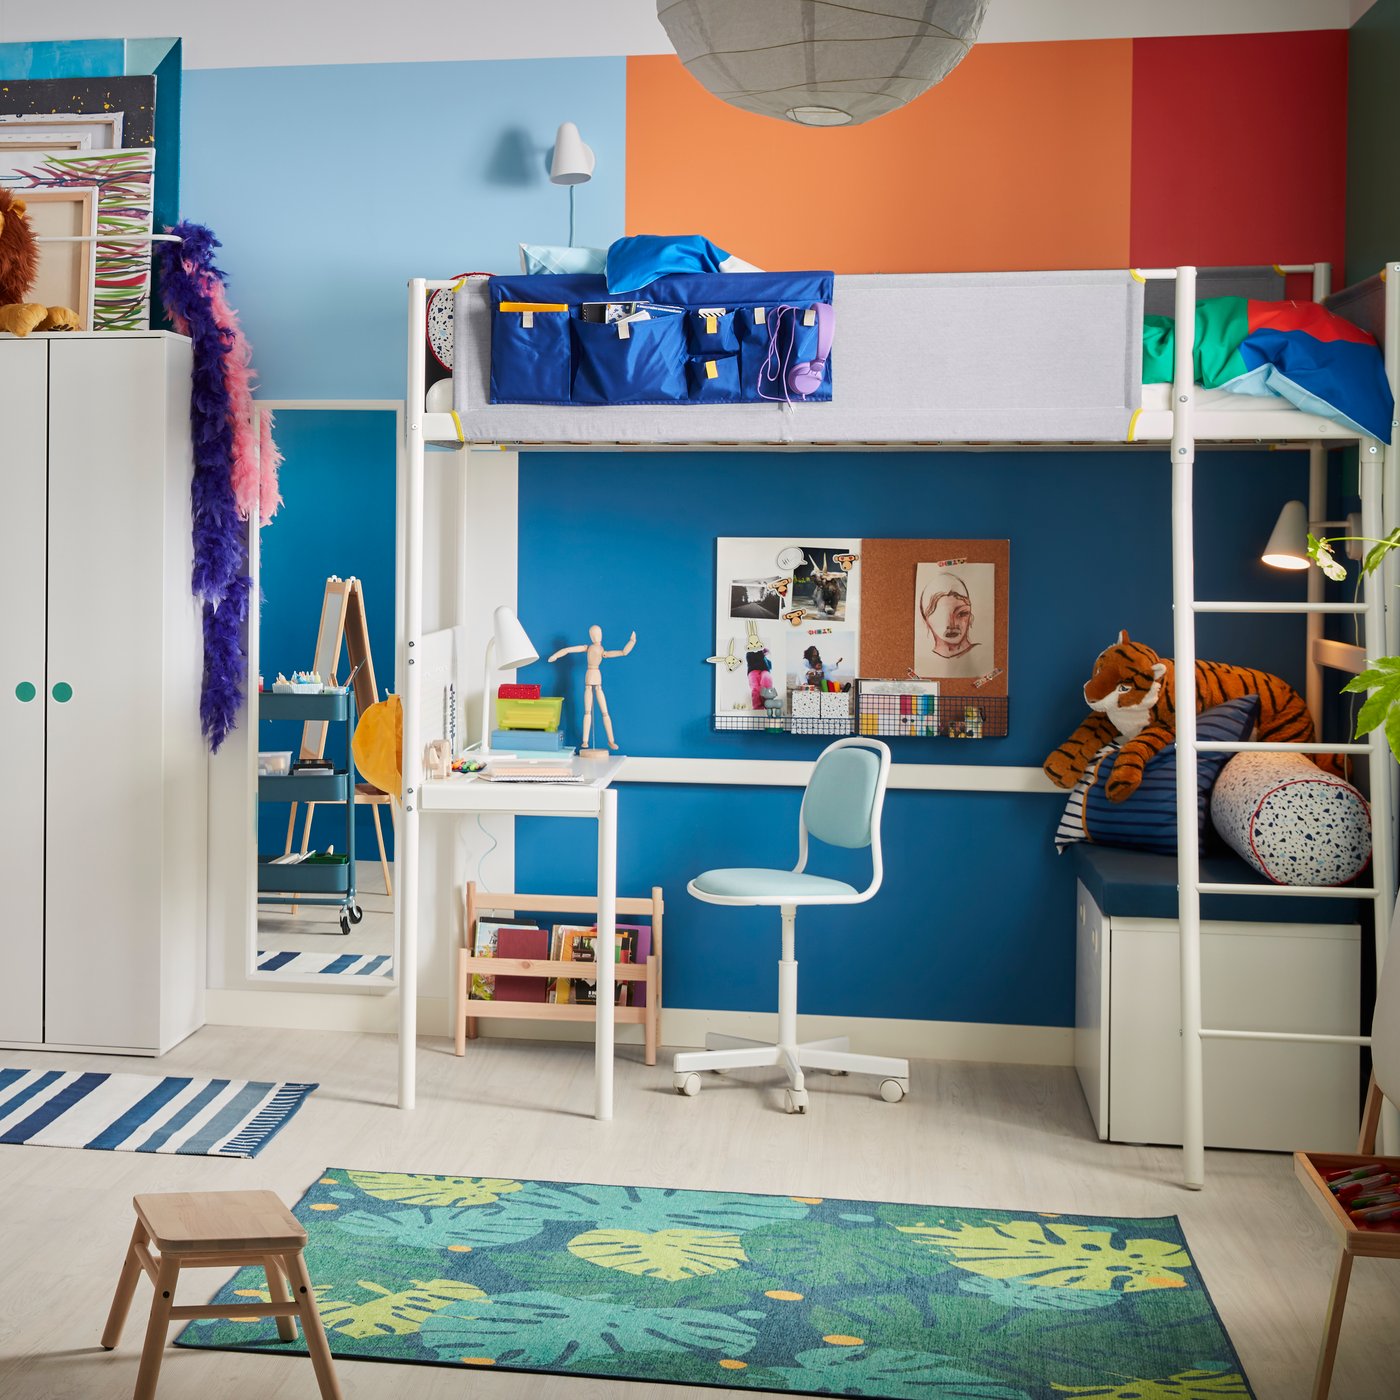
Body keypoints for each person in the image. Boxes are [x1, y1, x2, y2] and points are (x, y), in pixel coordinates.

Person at [548, 624, 636, 751]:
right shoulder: (594, 649)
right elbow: (623, 652)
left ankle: (607, 740)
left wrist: (632, 641)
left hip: (593, 676)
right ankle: (587, 741)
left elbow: (623, 652)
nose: (596, 636)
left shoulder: (594, 649)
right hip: (591, 677)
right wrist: (555, 655)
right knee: (593, 711)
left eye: (597, 633)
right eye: (595, 634)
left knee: (599, 711)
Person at [918, 572, 981, 678]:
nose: (952, 624)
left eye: (962, 614)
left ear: (970, 615)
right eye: (942, 616)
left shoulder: (981, 653)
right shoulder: (924, 660)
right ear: (926, 619)